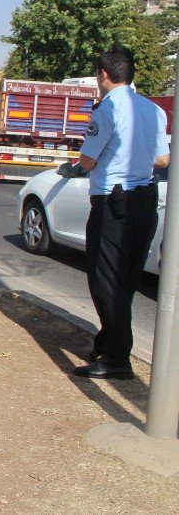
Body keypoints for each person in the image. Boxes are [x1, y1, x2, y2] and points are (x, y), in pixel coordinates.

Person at [73, 47, 169, 380]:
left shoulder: (107, 110)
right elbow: (163, 160)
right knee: (125, 279)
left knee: (104, 281)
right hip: (145, 200)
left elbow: (87, 160)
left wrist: (79, 165)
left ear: (103, 75)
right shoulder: (154, 110)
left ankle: (117, 358)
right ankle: (109, 342)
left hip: (114, 205)